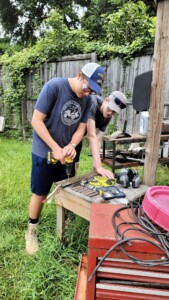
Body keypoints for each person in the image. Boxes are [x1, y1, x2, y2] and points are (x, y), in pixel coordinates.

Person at [25, 62, 106, 255]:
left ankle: (66, 223)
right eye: (87, 87)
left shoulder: (87, 100)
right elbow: (36, 120)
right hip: (44, 150)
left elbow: (81, 128)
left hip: (65, 152)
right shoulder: (54, 86)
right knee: (41, 192)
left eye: (93, 91)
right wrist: (55, 147)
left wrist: (71, 145)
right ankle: (31, 231)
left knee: (65, 188)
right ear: (80, 75)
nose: (88, 93)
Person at [75, 91, 127, 178]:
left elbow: (98, 139)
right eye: (110, 109)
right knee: (65, 166)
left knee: (75, 166)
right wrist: (99, 166)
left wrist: (95, 165)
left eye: (113, 112)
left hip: (79, 136)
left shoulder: (107, 116)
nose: (110, 113)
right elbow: (91, 135)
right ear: (106, 100)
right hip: (68, 133)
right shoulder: (92, 102)